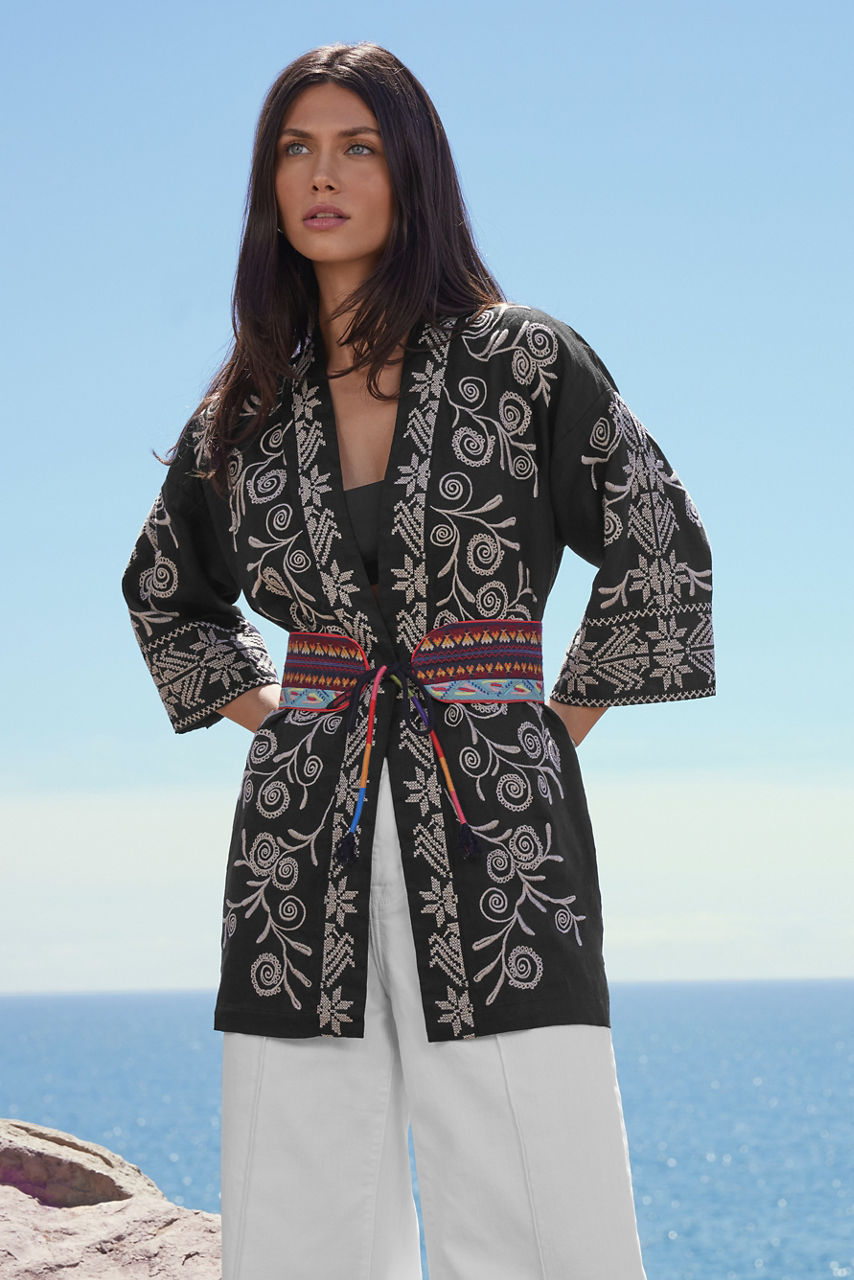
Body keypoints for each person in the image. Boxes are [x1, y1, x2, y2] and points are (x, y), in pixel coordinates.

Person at [121, 41, 714, 1280]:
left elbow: (656, 539)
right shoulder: (244, 411)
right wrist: (284, 716)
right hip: (297, 848)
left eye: (357, 147)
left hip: (501, 838)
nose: (320, 175)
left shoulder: (523, 361)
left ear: (413, 173)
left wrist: (545, 727)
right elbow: (166, 589)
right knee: (296, 1209)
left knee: (538, 1190)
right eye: (294, 149)